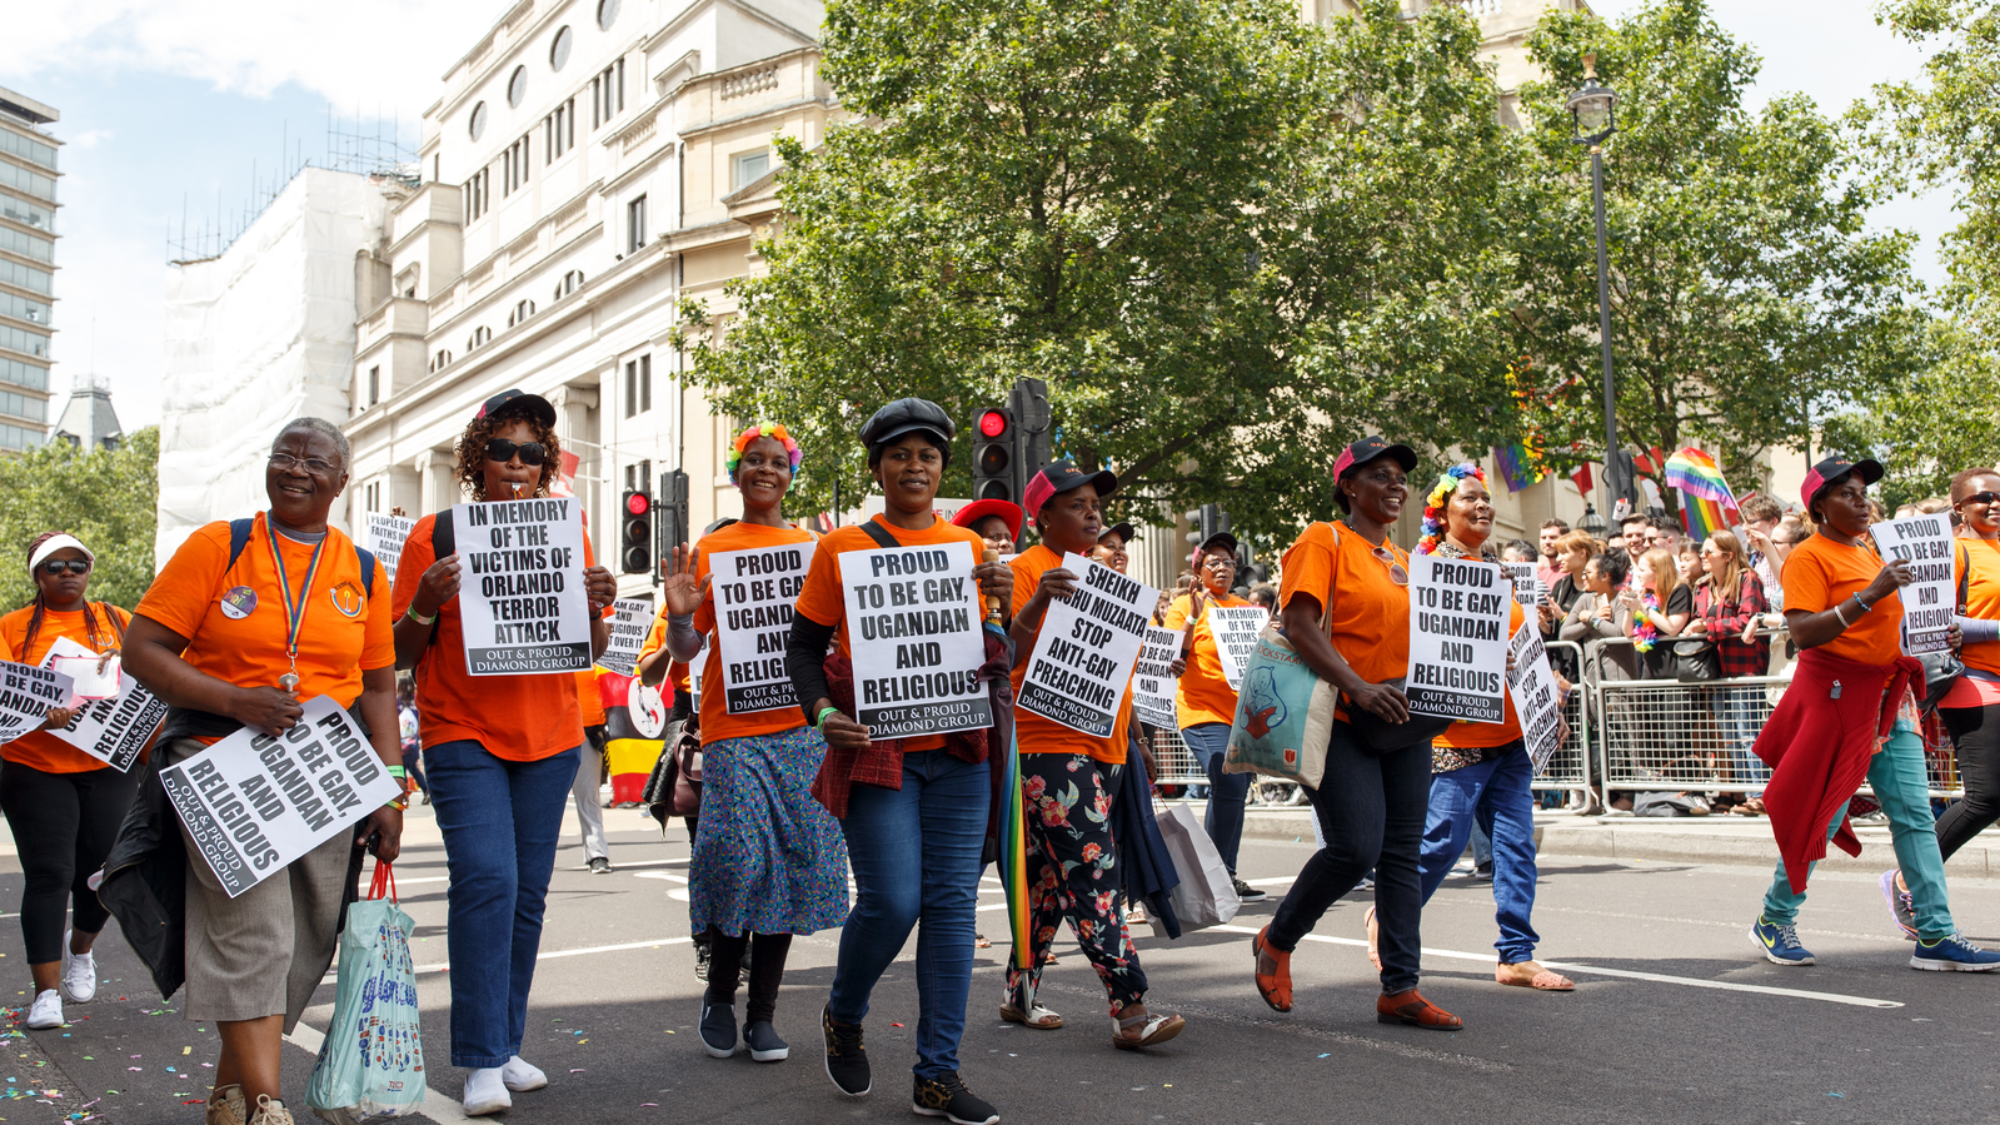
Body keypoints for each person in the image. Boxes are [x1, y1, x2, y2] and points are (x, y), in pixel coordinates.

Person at [123, 418, 402, 1125]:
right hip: (217, 758)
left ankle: (229, 1093)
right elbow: (142, 649)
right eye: (285, 455)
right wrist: (234, 699)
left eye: (316, 461)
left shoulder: (365, 571)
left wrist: (391, 786)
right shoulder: (220, 545)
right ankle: (267, 1108)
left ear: (342, 481)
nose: (297, 469)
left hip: (321, 771)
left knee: (305, 939)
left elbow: (377, 687)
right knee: (255, 930)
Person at [390, 390, 619, 1115]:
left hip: (549, 739)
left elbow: (591, 648)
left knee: (524, 897)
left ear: (545, 463)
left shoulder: (567, 529)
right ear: (476, 457)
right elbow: (397, 651)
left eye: (530, 452)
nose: (516, 463)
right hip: (463, 732)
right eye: (502, 449)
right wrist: (426, 599)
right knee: (487, 881)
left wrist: (597, 601)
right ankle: (482, 1059)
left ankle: (505, 1041)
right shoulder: (434, 533)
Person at [786, 399, 1012, 1125]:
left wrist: (1013, 608)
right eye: (900, 454)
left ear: (943, 468)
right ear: (877, 467)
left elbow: (995, 658)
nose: (915, 465)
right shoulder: (840, 548)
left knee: (950, 907)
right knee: (893, 899)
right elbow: (802, 649)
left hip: (958, 753)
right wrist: (823, 714)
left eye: (929, 455)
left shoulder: (973, 551)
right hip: (879, 750)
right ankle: (844, 1012)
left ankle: (937, 1074)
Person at [1747, 456, 2000, 970]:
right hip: (1837, 699)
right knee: (1826, 812)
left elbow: (1895, 622)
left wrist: (1939, 633)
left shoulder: (1870, 550)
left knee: (1915, 818)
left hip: (1892, 700)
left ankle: (1935, 933)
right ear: (1819, 507)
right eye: (1848, 494)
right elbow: (1803, 633)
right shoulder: (1809, 557)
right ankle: (1775, 919)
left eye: (1863, 493)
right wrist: (1871, 594)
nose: (1861, 502)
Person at [1251, 436, 1463, 1029]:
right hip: (1342, 716)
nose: (1396, 486)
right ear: (1349, 486)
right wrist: (1358, 687)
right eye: (1381, 476)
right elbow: (1298, 623)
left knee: (1402, 855)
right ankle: (1278, 937)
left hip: (1404, 722)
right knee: (1356, 846)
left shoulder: (1401, 560)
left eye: (1401, 478)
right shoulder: (1325, 539)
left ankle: (1400, 988)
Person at [654, 423, 849, 1066]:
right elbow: (687, 651)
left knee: (790, 869)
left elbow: (835, 644)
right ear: (737, 472)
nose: (766, 470)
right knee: (737, 862)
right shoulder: (711, 549)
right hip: (734, 732)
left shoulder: (818, 549)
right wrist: (681, 615)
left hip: (800, 732)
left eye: (778, 462)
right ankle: (718, 995)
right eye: (753, 460)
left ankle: (762, 1013)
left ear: (791, 473)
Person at [1001, 462, 1185, 1047]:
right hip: (1046, 747)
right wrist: (1036, 607)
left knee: (1049, 884)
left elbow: (1111, 678)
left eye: (1094, 504)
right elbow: (999, 658)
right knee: (1093, 872)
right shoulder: (1021, 571)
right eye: (1075, 504)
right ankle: (1129, 1009)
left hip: (1102, 749)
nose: (1092, 513)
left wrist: (1135, 743)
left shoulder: (1103, 581)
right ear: (1043, 517)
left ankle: (1018, 992)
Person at [1410, 467, 1574, 992]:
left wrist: (1548, 697)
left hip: (1512, 736)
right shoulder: (1427, 568)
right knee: (1439, 845)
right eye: (1470, 498)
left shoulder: (1501, 571)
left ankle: (1516, 954)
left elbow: (1525, 646)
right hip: (1456, 738)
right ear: (1443, 511)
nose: (1483, 505)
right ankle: (1389, 918)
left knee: (1516, 847)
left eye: (1486, 498)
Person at [0, 533, 138, 1031]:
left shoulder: (118, 620)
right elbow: (3, 698)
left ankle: (81, 951)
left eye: (77, 564)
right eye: (54, 565)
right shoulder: (11, 628)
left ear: (89, 570)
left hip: (108, 766)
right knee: (49, 875)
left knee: (100, 873)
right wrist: (40, 712)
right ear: (37, 576)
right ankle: (45, 994)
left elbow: (149, 675)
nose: (67, 572)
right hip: (34, 766)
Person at [1886, 468, 2000, 935]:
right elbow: (1931, 617)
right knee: (1987, 796)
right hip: (1973, 679)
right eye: (1984, 498)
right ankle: (1907, 881)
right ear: (1960, 508)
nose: (1994, 504)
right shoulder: (1954, 551)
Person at [1163, 532, 1266, 904]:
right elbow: (1172, 652)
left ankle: (1225, 872)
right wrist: (1192, 614)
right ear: (1199, 570)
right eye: (1214, 562)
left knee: (1234, 792)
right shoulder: (1183, 605)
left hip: (1242, 715)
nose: (1223, 567)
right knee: (1229, 781)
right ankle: (1216, 873)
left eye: (1228, 561)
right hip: (1202, 711)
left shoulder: (1245, 608)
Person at [1683, 531, 1771, 814]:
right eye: (1703, 552)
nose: (1703, 557)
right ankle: (1749, 794)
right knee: (1730, 734)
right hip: (1715, 669)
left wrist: (1707, 626)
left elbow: (1749, 619)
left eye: (1709, 552)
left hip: (1745, 667)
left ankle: (1762, 793)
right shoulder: (1703, 585)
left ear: (1728, 555)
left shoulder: (1748, 579)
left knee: (1749, 732)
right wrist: (1699, 624)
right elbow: (1698, 618)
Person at [1562, 552, 1635, 814]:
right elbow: (1565, 632)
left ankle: (1628, 794)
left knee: (1625, 736)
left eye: (1589, 573)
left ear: (1605, 576)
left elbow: (1618, 634)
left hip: (1619, 680)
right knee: (1598, 737)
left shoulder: (1621, 599)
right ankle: (1599, 793)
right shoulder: (1584, 599)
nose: (1584, 577)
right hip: (1591, 681)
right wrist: (1588, 617)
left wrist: (1592, 620)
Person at [1625, 547, 1692, 680]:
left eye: (1642, 570)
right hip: (1650, 670)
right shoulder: (1647, 594)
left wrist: (1642, 608)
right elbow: (1627, 632)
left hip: (1675, 672)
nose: (1638, 574)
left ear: (1658, 571)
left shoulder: (1680, 590)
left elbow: (1672, 628)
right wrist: (1629, 607)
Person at [572, 665, 613, 873]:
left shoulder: (602, 657)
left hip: (588, 731)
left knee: (589, 796)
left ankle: (597, 853)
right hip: (552, 729)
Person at [1739, 494, 1786, 610]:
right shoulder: (1754, 557)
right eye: (1744, 523)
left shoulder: (1785, 550)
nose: (1745, 528)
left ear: (1773, 522)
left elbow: (1786, 583)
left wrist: (1769, 548)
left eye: (1751, 522)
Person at [396, 679, 428, 804]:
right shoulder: (416, 700)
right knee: (412, 767)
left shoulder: (397, 700)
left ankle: (402, 796)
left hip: (400, 741)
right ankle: (426, 789)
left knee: (401, 768)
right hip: (413, 741)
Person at [1537, 519, 1570, 591]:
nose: (1547, 541)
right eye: (1543, 538)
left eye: (1553, 537)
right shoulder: (1540, 575)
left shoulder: (1571, 572)